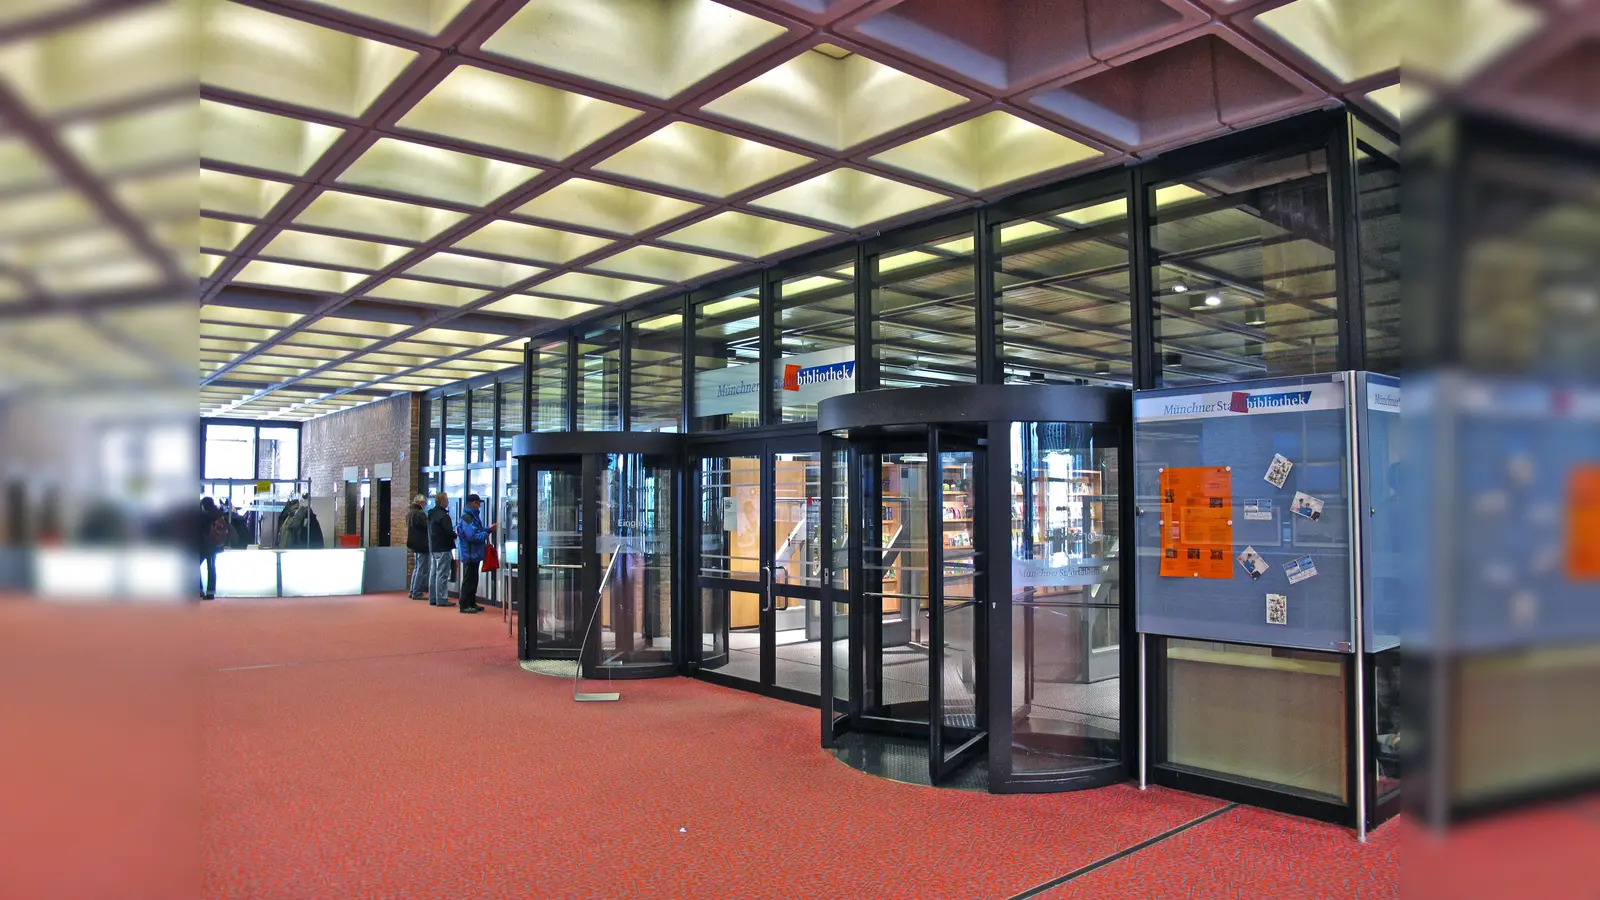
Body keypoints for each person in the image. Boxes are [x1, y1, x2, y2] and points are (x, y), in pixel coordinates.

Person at [454, 493, 496, 614]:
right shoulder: (467, 517)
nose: (479, 506)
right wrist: (487, 533)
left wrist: (487, 529)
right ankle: (464, 604)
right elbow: (472, 536)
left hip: (474, 554)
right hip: (470, 554)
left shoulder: (472, 517)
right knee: (469, 580)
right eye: (478, 503)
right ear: (472, 504)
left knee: (473, 579)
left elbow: (477, 530)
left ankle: (471, 602)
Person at [426, 492, 455, 608]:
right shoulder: (444, 516)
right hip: (444, 547)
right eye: (447, 500)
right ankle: (442, 599)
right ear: (443, 502)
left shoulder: (431, 513)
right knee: (442, 574)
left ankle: (433, 597)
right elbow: (448, 532)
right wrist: (455, 534)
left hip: (434, 547)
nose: (448, 502)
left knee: (433, 573)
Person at [198, 497, 226, 600]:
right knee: (211, 568)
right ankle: (211, 592)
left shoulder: (202, 516)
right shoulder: (219, 514)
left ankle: (200, 589)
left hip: (204, 546)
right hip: (214, 546)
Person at [405, 494, 430, 600]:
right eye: (424, 503)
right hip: (422, 544)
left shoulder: (410, 513)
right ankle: (416, 592)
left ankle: (412, 591)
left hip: (413, 543)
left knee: (416, 568)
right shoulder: (420, 514)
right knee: (421, 568)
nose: (425, 505)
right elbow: (427, 527)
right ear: (420, 503)